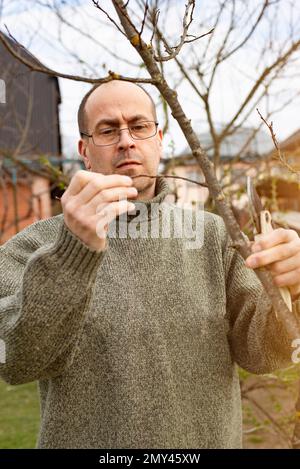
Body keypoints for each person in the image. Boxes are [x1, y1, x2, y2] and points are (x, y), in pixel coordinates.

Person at [0, 80, 300, 449]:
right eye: (108, 130)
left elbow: (265, 352)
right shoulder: (35, 248)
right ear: (85, 150)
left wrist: (291, 290)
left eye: (139, 126)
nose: (126, 140)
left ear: (158, 139)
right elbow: (16, 361)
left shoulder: (213, 236)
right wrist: (72, 252)